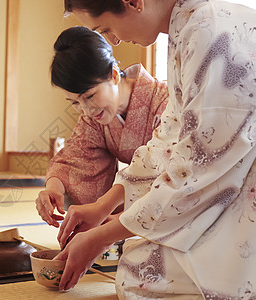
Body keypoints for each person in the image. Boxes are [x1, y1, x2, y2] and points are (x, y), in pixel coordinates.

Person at [55, 0, 256, 298]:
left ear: (132, 1)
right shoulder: (190, 29)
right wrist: (102, 208)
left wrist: (102, 237)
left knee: (142, 275)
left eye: (106, 28)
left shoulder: (212, 33)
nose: (113, 39)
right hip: (237, 178)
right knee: (138, 258)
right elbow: (167, 140)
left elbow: (199, 168)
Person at [36, 26, 168, 228]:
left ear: (113, 75)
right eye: (75, 102)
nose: (86, 110)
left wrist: (121, 218)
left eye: (89, 96)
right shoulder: (95, 117)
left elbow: (170, 169)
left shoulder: (164, 100)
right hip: (133, 204)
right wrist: (54, 190)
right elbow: (75, 159)